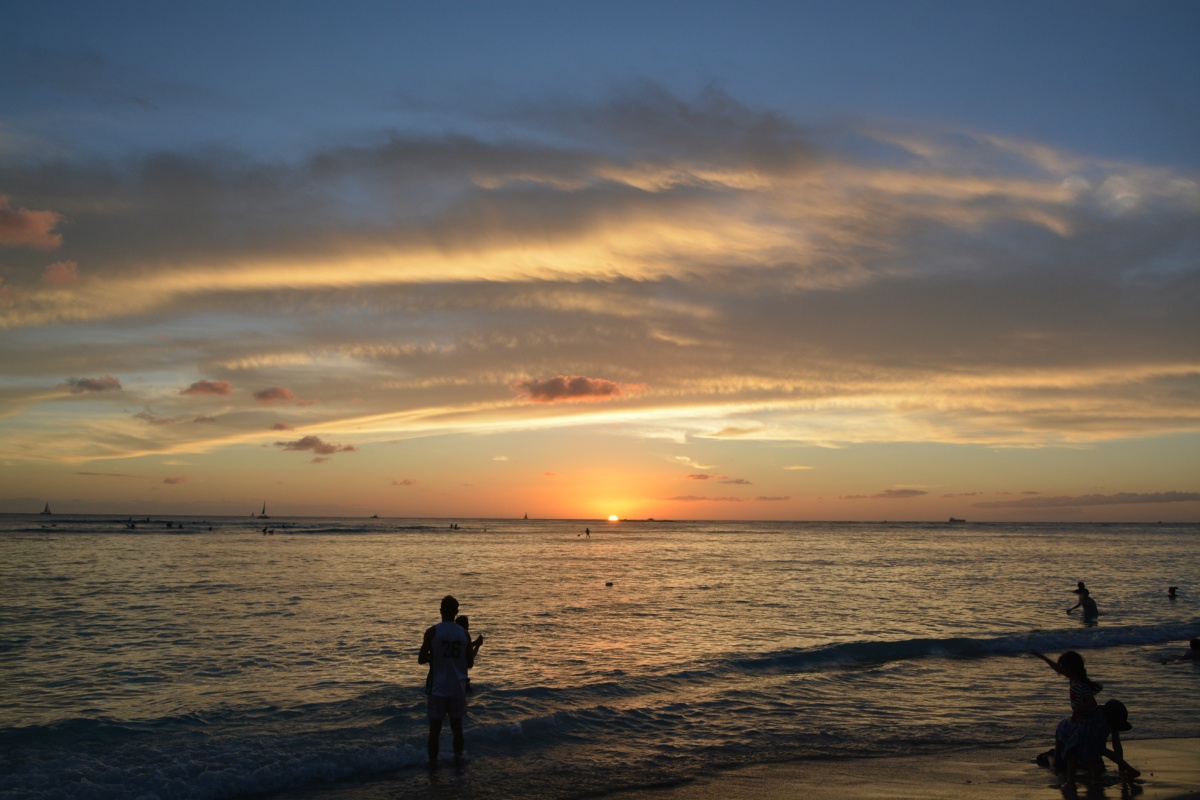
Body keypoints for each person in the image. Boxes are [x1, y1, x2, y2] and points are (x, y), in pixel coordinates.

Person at [1032, 650, 1108, 790]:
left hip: (1086, 722)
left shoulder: (1081, 686)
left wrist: (1078, 711)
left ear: (1070, 668)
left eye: (1064, 667)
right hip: (1082, 720)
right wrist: (1043, 657)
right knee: (1083, 748)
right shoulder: (1073, 678)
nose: (1061, 670)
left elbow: (1092, 703)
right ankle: (1091, 776)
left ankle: (1071, 780)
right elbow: (1057, 668)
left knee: (1073, 750)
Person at [418, 595, 475, 767]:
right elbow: (470, 663)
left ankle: (433, 764)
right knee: (457, 729)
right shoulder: (464, 634)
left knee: (434, 731)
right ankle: (458, 761)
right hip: (457, 688)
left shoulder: (432, 632)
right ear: (456, 612)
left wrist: (434, 656)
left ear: (441, 610)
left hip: (438, 688)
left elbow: (421, 659)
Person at [1100, 699, 1140, 778]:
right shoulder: (1096, 722)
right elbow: (1100, 748)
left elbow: (1116, 744)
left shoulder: (1111, 719)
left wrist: (1121, 770)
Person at [455, 614, 484, 692]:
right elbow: (469, 659)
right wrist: (477, 645)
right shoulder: (464, 636)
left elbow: (464, 648)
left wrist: (476, 643)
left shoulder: (455, 637)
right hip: (461, 681)